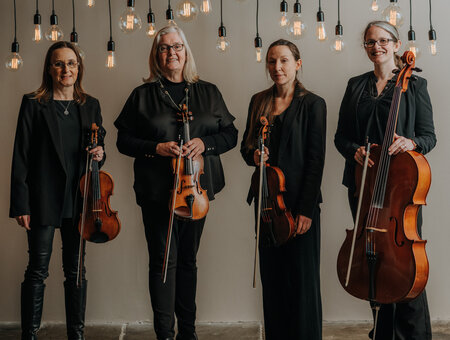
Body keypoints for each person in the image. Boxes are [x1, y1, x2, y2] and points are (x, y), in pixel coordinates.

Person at [114, 25, 237, 340]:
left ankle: (189, 332)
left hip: (196, 190)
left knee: (188, 261)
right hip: (157, 192)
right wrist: (155, 148)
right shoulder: (143, 95)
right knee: (162, 260)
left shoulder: (207, 92)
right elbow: (123, 141)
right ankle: (165, 334)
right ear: (157, 55)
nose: (172, 53)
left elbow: (230, 135)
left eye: (177, 47)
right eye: (165, 48)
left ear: (186, 51)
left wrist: (204, 144)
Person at [334, 21, 436, 340]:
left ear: (395, 44)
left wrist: (411, 143)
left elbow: (429, 136)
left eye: (382, 41)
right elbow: (341, 137)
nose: (375, 47)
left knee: (405, 266)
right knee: (373, 260)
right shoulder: (355, 86)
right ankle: (382, 332)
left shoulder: (415, 85)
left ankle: (414, 335)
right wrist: (355, 152)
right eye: (369, 42)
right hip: (365, 188)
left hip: (400, 190)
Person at [10, 41, 105, 340]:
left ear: (79, 68)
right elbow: (21, 156)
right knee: (37, 269)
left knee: (76, 270)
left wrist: (101, 154)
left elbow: (97, 150)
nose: (66, 69)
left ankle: (76, 334)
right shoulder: (33, 103)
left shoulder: (90, 105)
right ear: (49, 69)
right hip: (42, 199)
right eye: (59, 64)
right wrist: (20, 204)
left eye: (72, 63)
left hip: (79, 198)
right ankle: (30, 334)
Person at [241, 39, 326, 340]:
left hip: (299, 205)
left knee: (302, 284)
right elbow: (246, 146)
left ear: (297, 64)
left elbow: (316, 161)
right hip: (267, 205)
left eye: (284, 61)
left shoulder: (313, 104)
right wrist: (253, 155)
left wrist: (305, 209)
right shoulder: (258, 101)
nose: (277, 67)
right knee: (273, 281)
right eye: (272, 61)